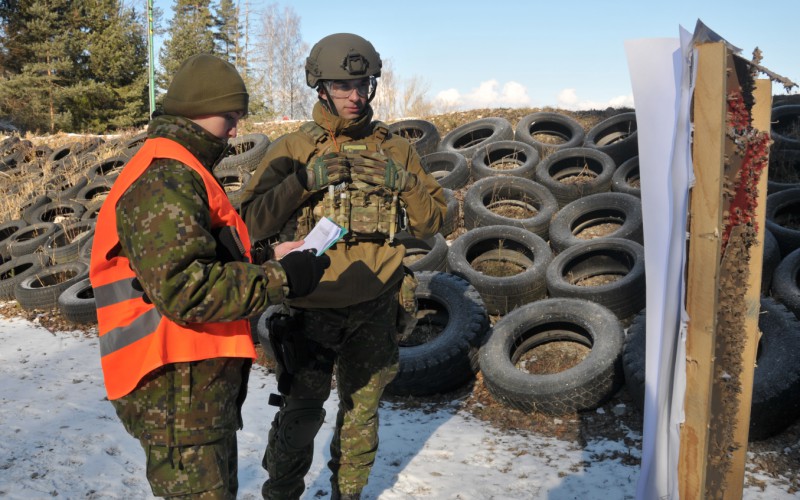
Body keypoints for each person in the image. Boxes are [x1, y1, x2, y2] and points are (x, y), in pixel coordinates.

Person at [89, 53, 330, 499]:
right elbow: (185, 290)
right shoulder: (164, 179)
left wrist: (268, 255)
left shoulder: (181, 170)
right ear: (199, 109)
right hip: (177, 393)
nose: (236, 130)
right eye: (230, 118)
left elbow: (200, 258)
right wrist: (282, 279)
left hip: (192, 391)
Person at [240, 33, 447, 499]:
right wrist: (301, 182)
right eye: (342, 85)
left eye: (362, 83)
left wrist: (407, 183)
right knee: (301, 413)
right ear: (320, 87)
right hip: (311, 306)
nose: (355, 96)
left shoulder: (395, 149)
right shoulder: (293, 148)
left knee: (361, 415)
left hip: (376, 303)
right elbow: (248, 224)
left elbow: (434, 222)